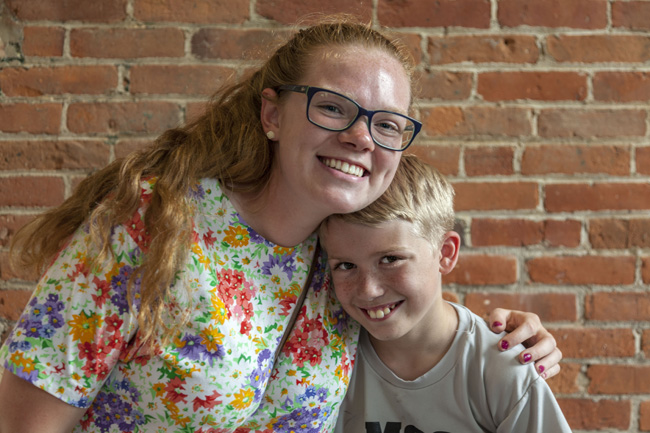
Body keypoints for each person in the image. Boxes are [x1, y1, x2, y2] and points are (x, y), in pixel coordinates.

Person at [0, 16, 561, 433]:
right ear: (272, 114)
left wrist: (512, 342)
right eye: (333, 107)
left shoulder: (341, 261)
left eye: (386, 124)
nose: (360, 137)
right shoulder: (155, 222)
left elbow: (416, 314)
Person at [319, 154, 571, 433]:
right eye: (346, 265)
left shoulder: (501, 369)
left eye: (390, 259)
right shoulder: (322, 359)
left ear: (445, 253)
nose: (369, 290)